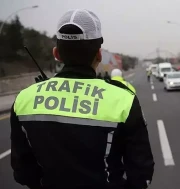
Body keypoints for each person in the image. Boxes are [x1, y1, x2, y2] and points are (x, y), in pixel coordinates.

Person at [10, 9, 154, 189]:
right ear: (99, 55)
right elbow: (141, 174)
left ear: (57, 54)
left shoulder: (25, 99)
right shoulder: (123, 99)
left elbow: (23, 172)